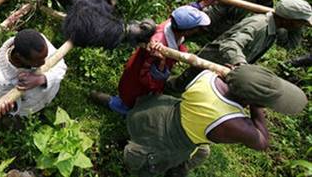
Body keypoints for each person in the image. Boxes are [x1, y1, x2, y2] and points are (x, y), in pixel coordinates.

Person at [125, 64, 307, 177]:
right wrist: (257, 106)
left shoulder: (208, 76)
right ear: (249, 100)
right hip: (168, 142)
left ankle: (178, 170)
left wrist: (242, 79)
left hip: (159, 112)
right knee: (148, 168)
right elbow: (262, 142)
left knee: (203, 152)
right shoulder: (233, 123)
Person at [168, 0, 312, 93]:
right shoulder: (259, 26)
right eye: (301, 22)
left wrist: (297, 26)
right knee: (182, 84)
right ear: (289, 20)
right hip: (213, 60)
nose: (302, 26)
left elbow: (290, 45)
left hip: (223, 66)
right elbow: (231, 43)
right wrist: (240, 64)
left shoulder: (277, 28)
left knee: (196, 89)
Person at [91, 6, 211, 114]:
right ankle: (111, 103)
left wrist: (201, 4)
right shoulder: (158, 49)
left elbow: (186, 12)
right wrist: (162, 64)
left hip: (136, 70)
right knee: (130, 102)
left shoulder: (172, 24)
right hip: (137, 82)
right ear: (188, 30)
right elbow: (149, 80)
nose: (198, 30)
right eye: (197, 28)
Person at [0, 29, 67, 117]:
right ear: (19, 57)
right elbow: (13, 105)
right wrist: (12, 106)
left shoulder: (38, 43)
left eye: (45, 57)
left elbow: (61, 66)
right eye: (37, 61)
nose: (43, 63)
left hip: (49, 94)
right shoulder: (2, 79)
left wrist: (41, 79)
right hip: (31, 110)